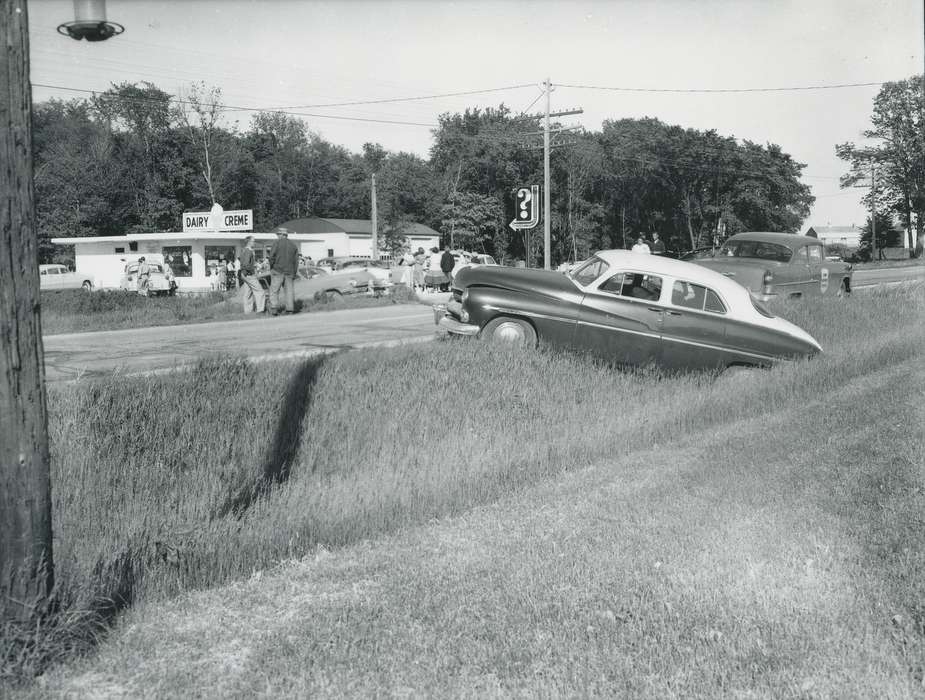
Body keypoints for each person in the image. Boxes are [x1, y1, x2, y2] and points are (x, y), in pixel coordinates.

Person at [268, 226, 298, 314]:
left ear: (281, 235)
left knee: (274, 290)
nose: (277, 236)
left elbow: (271, 257)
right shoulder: (293, 245)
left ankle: (274, 309)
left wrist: (272, 267)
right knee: (289, 291)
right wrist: (294, 272)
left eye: (278, 234)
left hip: (277, 270)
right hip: (289, 272)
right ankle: (290, 309)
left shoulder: (276, 243)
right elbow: (296, 261)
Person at [239, 235, 265, 314]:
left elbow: (244, 263)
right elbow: (246, 264)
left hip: (244, 274)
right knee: (260, 291)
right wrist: (252, 270)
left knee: (248, 293)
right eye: (253, 241)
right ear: (249, 242)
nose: (254, 242)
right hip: (249, 274)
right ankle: (260, 310)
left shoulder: (243, 250)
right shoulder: (248, 251)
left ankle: (247, 311)